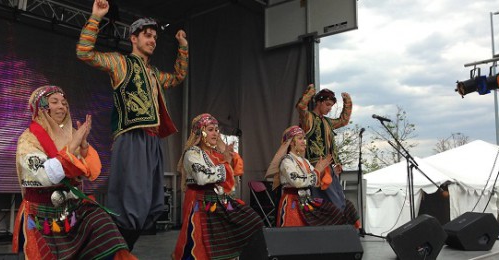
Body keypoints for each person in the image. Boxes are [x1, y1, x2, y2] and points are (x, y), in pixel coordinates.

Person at [76, 0, 189, 251]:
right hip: (132, 138)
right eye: (147, 36)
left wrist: (183, 46)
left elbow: (179, 76)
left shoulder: (154, 73)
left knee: (151, 205)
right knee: (129, 207)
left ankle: (120, 252)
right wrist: (96, 16)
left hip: (152, 141)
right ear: (134, 38)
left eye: (155, 38)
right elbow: (84, 53)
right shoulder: (121, 63)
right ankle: (109, 252)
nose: (153, 40)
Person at [13, 85, 134, 259]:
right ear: (41, 109)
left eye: (64, 102)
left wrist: (83, 147)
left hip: (74, 209)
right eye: (54, 102)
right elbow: (43, 175)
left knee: (105, 228)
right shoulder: (28, 139)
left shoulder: (73, 134)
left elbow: (91, 171)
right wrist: (71, 147)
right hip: (41, 214)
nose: (62, 106)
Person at [172, 113, 263, 260]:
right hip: (200, 202)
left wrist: (227, 160)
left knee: (252, 221)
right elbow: (202, 177)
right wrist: (224, 165)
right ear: (201, 132)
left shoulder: (215, 154)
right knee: (201, 242)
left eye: (216, 129)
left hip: (221, 201)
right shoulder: (192, 153)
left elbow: (233, 175)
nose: (215, 133)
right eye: (210, 129)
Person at [296, 84, 360, 228]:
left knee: (339, 200)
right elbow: (301, 108)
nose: (329, 108)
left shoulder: (327, 122)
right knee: (330, 201)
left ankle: (338, 229)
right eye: (327, 104)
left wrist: (347, 103)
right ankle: (335, 230)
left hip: (329, 167)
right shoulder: (309, 119)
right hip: (316, 167)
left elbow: (343, 121)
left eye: (331, 106)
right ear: (318, 102)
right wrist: (309, 94)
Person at [266, 125, 352, 227]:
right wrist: (317, 171)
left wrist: (326, 171)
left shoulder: (304, 161)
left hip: (306, 201)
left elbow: (315, 181)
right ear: (292, 143)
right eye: (300, 139)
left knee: (335, 211)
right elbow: (297, 182)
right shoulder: (287, 162)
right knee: (295, 232)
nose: (304, 142)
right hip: (292, 202)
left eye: (304, 139)